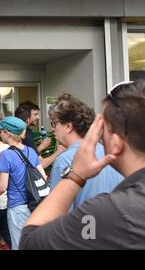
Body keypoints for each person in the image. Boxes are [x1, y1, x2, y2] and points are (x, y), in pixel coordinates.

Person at [20, 81, 145, 249]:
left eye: (105, 128)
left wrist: (74, 177)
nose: (53, 129)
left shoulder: (67, 162)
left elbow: (32, 241)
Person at [0, 116, 46, 250]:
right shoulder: (31, 151)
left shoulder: (7, 154)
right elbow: (43, 176)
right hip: (33, 206)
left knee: (18, 245)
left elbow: (2, 187)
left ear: (8, 134)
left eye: (2, 131)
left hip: (17, 208)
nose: (1, 134)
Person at [48, 93, 123, 210]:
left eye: (54, 123)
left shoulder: (64, 160)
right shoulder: (109, 154)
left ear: (68, 126)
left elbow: (57, 214)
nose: (53, 128)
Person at [15, 101, 64, 168]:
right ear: (27, 117)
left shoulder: (24, 131)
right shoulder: (26, 134)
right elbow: (41, 164)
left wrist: (41, 146)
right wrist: (59, 152)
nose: (38, 117)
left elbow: (27, 156)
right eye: (35, 114)